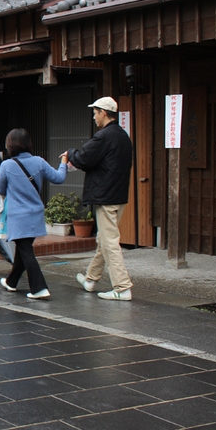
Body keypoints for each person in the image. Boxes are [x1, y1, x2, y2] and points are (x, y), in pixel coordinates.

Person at [65, 96, 134, 301]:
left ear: (103, 113)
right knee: (104, 239)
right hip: (119, 195)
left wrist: (70, 153)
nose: (94, 117)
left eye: (95, 113)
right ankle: (90, 279)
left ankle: (122, 288)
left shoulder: (104, 136)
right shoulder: (123, 136)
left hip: (105, 197)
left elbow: (84, 158)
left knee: (110, 241)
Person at [0, 129, 68, 299]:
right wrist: (64, 161)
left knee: (26, 251)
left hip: (18, 217)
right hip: (35, 215)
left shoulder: (7, 165)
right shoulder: (39, 162)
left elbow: (1, 189)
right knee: (23, 249)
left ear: (10, 145)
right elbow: (59, 178)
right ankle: (11, 282)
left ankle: (39, 288)